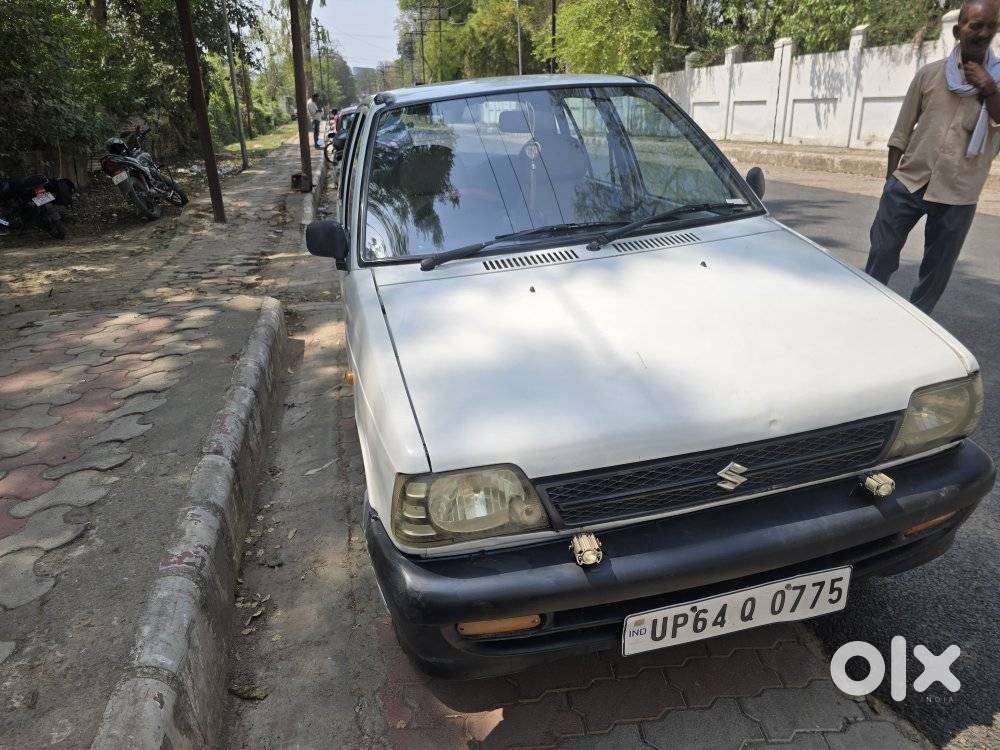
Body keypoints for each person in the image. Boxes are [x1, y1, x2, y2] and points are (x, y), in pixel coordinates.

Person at [865, 0, 1000, 314]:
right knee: (881, 254)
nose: (983, 33)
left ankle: (918, 324)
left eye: (990, 26)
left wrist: (989, 87)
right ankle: (867, 309)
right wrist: (890, 186)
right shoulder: (929, 75)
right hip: (908, 183)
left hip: (959, 193)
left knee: (936, 272)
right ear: (958, 31)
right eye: (975, 26)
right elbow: (900, 134)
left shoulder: (997, 81)